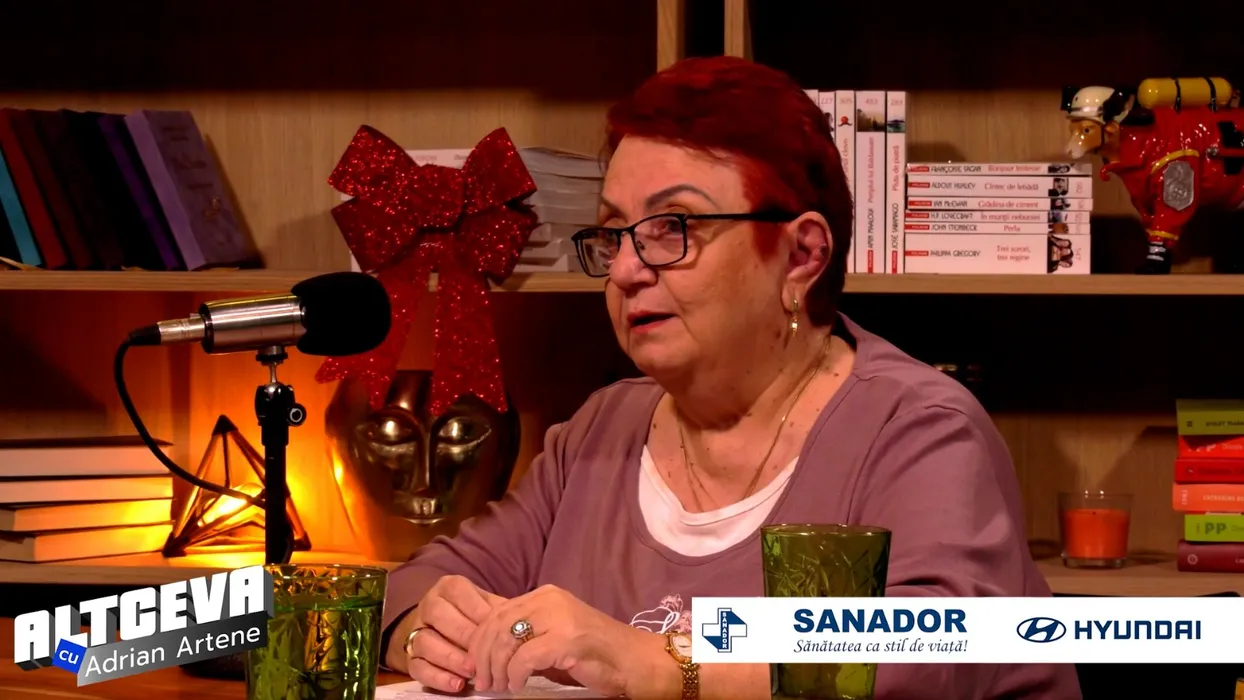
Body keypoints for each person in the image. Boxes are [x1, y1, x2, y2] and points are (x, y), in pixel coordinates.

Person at [379, 56, 1082, 700]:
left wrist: (656, 663)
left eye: (674, 226)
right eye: (614, 232)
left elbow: (929, 656)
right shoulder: (599, 431)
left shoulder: (920, 430)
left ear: (801, 256)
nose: (627, 269)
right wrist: (427, 633)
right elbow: (417, 584)